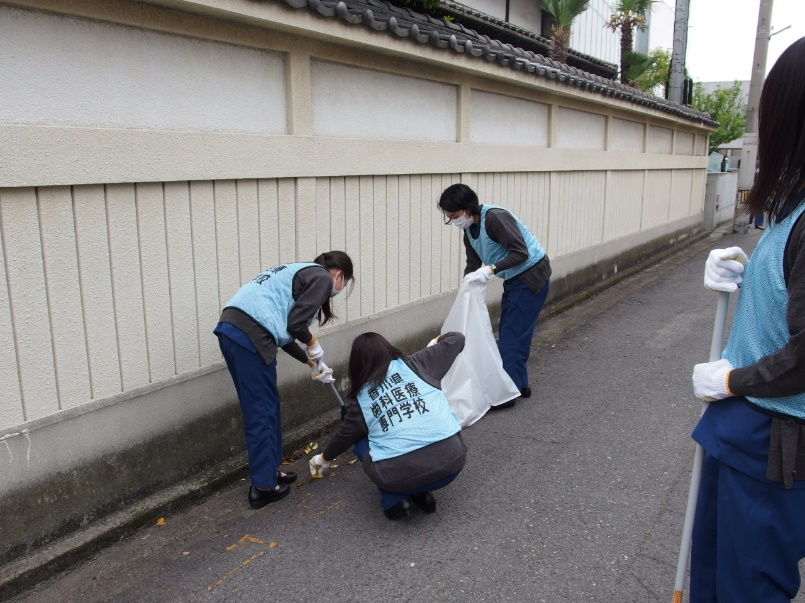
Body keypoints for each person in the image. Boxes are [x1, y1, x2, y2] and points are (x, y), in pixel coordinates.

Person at [690, 37, 805, 602]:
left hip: (774, 437)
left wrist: (733, 379)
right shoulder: (794, 210)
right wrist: (746, 271)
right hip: (746, 428)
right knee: (714, 566)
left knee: (748, 584)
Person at [214, 251, 354, 509]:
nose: (340, 289)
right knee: (260, 410)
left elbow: (286, 330)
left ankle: (269, 471)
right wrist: (313, 343)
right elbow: (297, 324)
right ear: (340, 275)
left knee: (268, 404)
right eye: (345, 284)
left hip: (234, 329)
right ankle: (262, 488)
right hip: (251, 334)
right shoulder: (322, 278)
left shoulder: (302, 272)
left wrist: (310, 361)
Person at [309, 332, 467, 519]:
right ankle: (422, 495)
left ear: (357, 365)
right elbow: (457, 338)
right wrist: (436, 343)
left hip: (398, 478)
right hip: (453, 462)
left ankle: (395, 501)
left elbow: (344, 436)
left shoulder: (361, 398)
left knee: (360, 437)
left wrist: (323, 460)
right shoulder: (418, 363)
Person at [437, 183, 551, 408]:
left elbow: (521, 252)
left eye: (455, 215)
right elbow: (472, 265)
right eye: (449, 217)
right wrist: (466, 289)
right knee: (510, 329)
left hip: (531, 275)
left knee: (512, 334)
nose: (454, 221)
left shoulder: (495, 218)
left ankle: (509, 393)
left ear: (468, 208)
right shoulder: (469, 231)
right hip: (514, 278)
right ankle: (519, 384)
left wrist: (490, 270)